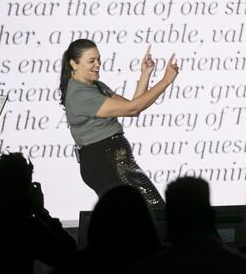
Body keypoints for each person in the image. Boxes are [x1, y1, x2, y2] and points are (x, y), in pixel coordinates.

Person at [59, 39, 179, 206]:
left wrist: (145, 74)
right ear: (74, 64)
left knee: (138, 214)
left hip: (114, 158)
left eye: (99, 59)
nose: (98, 64)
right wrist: (165, 81)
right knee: (151, 211)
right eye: (91, 61)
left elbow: (132, 106)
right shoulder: (79, 94)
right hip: (104, 159)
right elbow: (133, 109)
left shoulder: (96, 86)